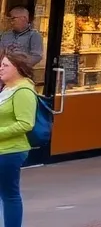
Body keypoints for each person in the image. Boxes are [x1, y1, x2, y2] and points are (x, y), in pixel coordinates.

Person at [0, 52, 37, 227]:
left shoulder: (23, 91)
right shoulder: (7, 89)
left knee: (9, 195)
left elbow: (25, 123)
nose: (1, 68)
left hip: (10, 151)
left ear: (18, 68)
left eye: (5, 65)